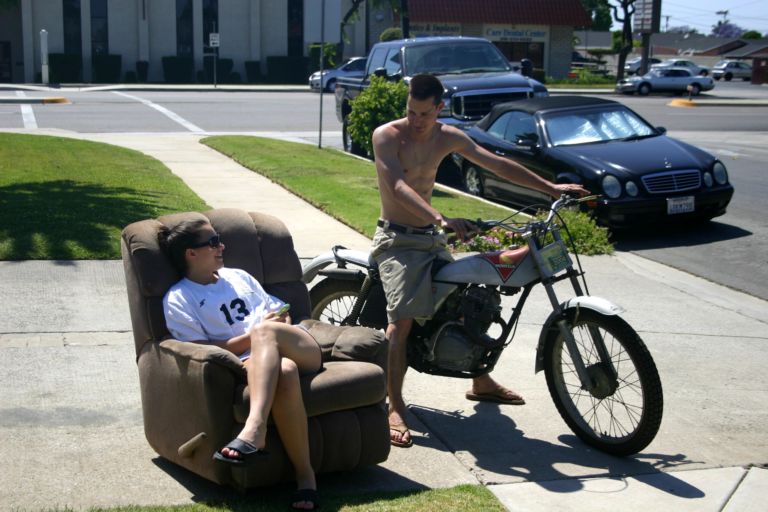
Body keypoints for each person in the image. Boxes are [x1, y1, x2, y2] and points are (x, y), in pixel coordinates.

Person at [372, 74, 589, 448]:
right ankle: (395, 406)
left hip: (431, 240)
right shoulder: (388, 136)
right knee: (401, 321)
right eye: (411, 111)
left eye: (425, 113)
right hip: (398, 241)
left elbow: (497, 164)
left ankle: (480, 380)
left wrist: (551, 188)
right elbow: (397, 186)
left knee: (475, 299)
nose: (416, 120)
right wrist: (439, 217)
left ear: (440, 108)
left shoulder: (448, 137)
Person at [158, 219, 321, 511]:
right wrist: (254, 338)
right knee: (284, 371)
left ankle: (254, 428)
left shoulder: (238, 277)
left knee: (265, 332)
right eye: (212, 242)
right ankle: (305, 478)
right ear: (190, 253)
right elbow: (202, 351)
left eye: (219, 239)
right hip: (253, 364)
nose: (221, 246)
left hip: (302, 348)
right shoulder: (180, 298)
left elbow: (281, 311)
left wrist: (270, 327)